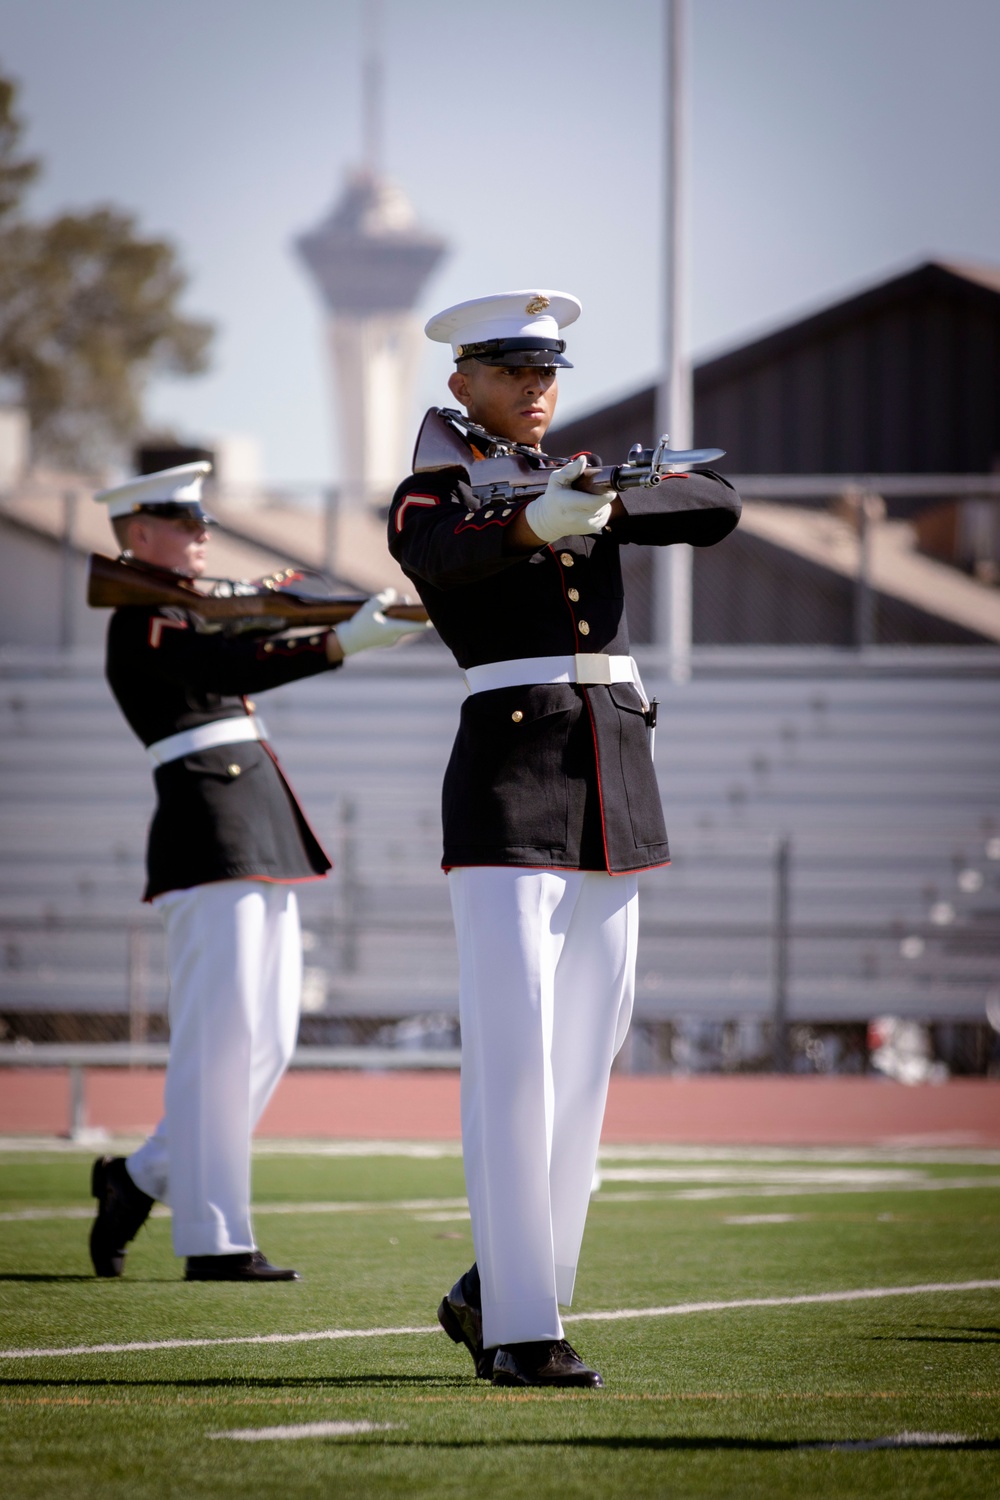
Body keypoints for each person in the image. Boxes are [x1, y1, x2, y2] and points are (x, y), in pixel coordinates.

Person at [388, 290, 741, 1385]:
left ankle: (502, 1284)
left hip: (611, 779)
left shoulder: (569, 470)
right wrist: (540, 515)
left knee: (585, 1059)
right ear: (462, 383)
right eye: (512, 371)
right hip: (509, 779)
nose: (538, 389)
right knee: (515, 1061)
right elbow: (443, 556)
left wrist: (601, 492)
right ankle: (519, 1333)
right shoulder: (429, 492)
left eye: (548, 372)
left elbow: (715, 503)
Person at [89, 461, 427, 1281]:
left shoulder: (198, 612)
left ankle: (135, 1179)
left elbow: (253, 637)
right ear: (140, 534)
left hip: (254, 825)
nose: (204, 534)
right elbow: (232, 669)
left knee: (267, 1039)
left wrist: (346, 617)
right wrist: (344, 642)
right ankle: (213, 1239)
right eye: (185, 522)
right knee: (220, 1040)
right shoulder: (143, 620)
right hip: (208, 829)